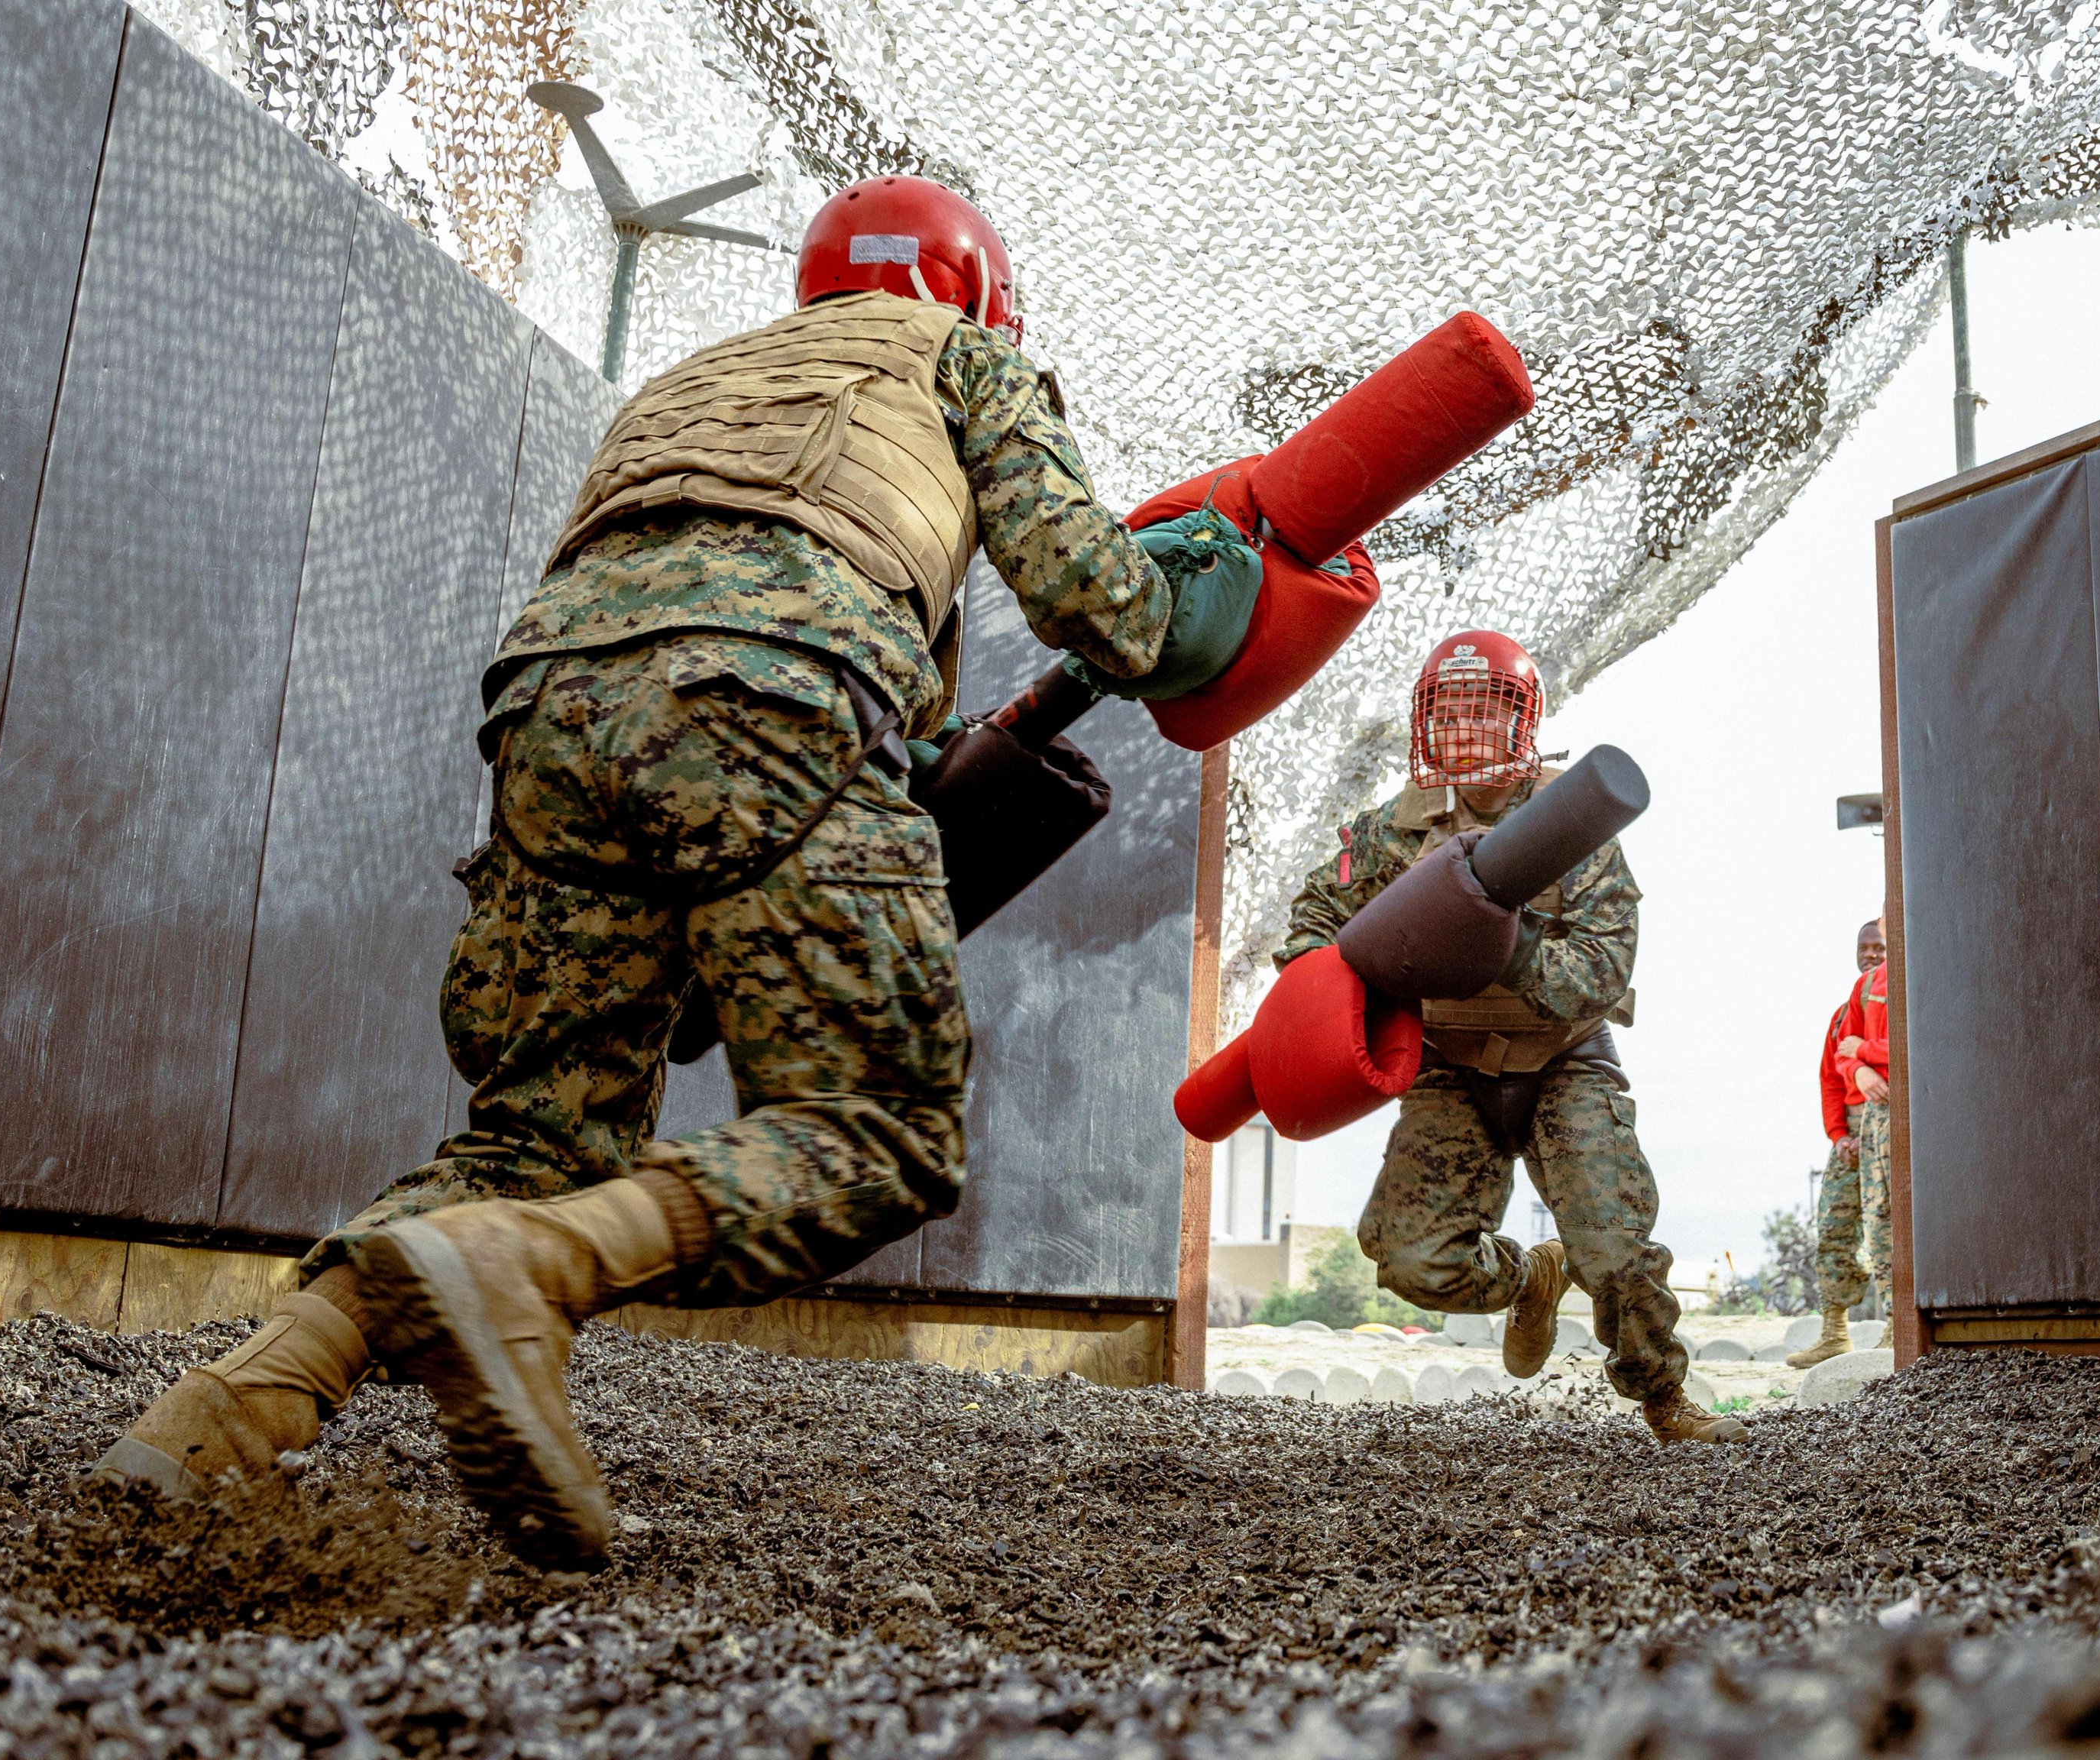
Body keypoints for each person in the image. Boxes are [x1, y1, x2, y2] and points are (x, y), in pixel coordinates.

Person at [100, 177, 1243, 1567]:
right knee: (877, 1123)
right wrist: (1200, 588)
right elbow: (1100, 607)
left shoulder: (691, 381)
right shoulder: (960, 353)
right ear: (979, 290)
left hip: (547, 717)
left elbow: (674, 588)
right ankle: (528, 1270)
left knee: (528, 1140)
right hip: (777, 692)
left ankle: (215, 1410)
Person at [1281, 630, 1741, 1445]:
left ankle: (1666, 1403)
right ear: (1426, 726)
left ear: (1518, 722)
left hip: (1564, 1062)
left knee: (1616, 1254)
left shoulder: (1573, 824)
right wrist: (1329, 985)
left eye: (1481, 712)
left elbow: (1600, 970)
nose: (1463, 731)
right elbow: (1316, 921)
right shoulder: (1391, 831)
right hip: (1448, 1068)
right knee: (1414, 1262)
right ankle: (1531, 1278)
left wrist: (1494, 936)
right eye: (1446, 714)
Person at [1788, 920, 1889, 1370]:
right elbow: (1831, 1078)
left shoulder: (1898, 999)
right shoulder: (1844, 1012)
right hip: (1851, 1129)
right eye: (1864, 948)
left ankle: (1894, 1328)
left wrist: (1865, 1054)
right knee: (1834, 1225)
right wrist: (1839, 1136)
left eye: (1879, 947)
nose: (1870, 955)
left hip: (1889, 1121)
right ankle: (1834, 1331)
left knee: (1888, 1223)